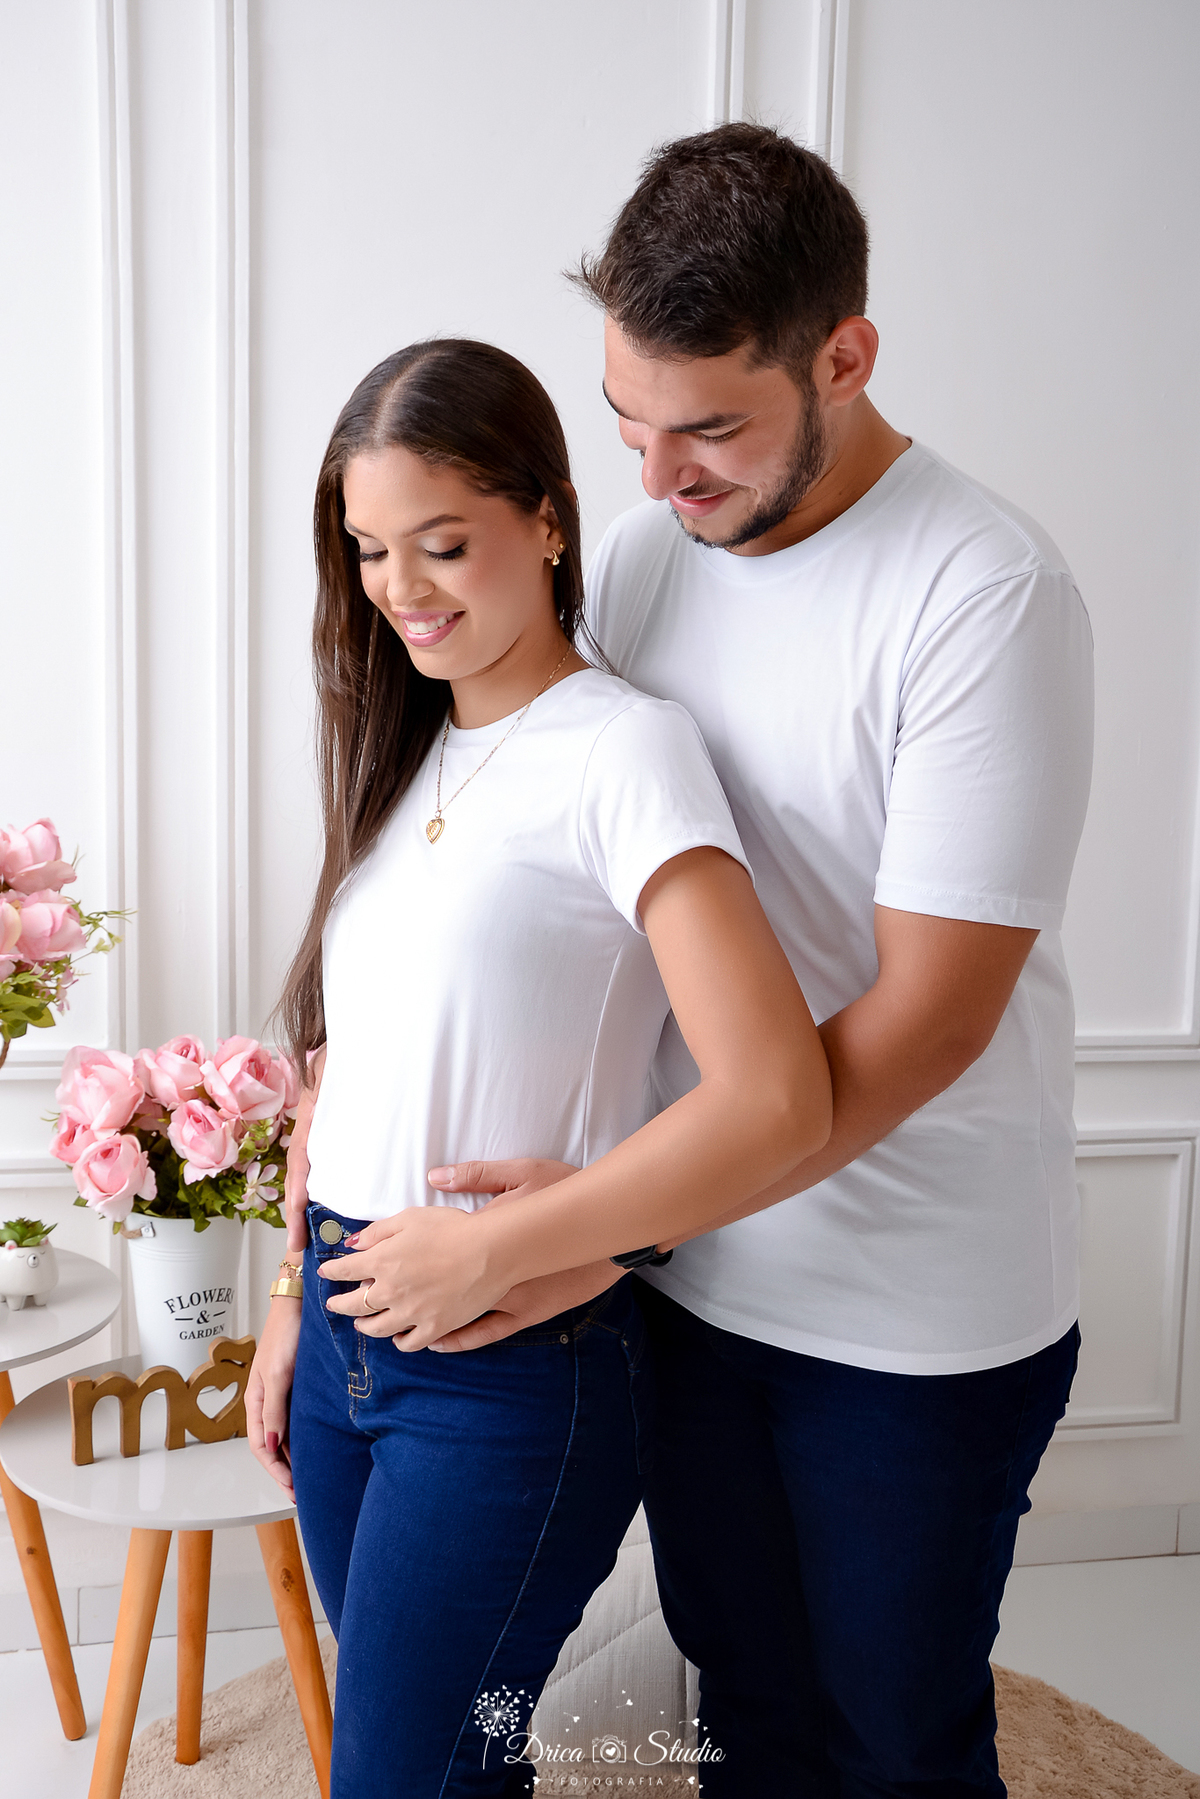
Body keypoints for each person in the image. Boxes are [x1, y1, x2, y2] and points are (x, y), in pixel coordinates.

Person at [340, 129, 1095, 1797]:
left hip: (911, 1308)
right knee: (743, 1713)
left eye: (712, 428)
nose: (660, 475)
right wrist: (616, 1226)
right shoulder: (648, 555)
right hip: (679, 1279)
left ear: (846, 356)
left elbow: (927, 1026)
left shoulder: (983, 592)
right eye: (627, 419)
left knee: (890, 1737)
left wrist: (601, 1221)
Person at [244, 336, 832, 1799]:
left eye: (444, 543)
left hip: (507, 1369)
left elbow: (773, 1094)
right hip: (342, 1325)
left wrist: (513, 1245)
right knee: (430, 1764)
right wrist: (282, 1314)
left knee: (405, 1777)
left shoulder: (625, 754)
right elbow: (346, 1065)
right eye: (371, 550)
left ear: (549, 518)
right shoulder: (401, 756)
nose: (403, 589)